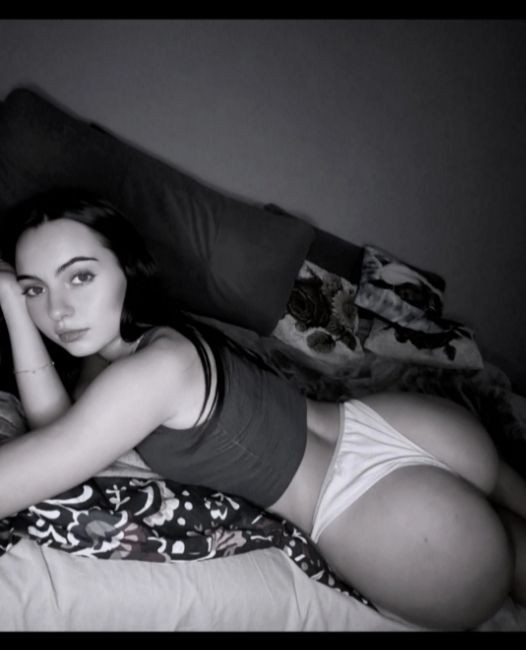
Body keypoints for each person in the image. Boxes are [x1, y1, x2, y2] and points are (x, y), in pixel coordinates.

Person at [0, 188, 524, 631]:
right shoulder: (150, 340)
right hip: (403, 424)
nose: (57, 311)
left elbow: (39, 466)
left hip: (368, 510)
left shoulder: (146, 375)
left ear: (125, 267)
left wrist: (14, 308)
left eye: (80, 277)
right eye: (34, 290)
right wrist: (15, 310)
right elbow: (60, 430)